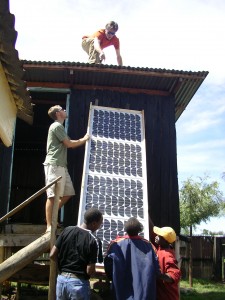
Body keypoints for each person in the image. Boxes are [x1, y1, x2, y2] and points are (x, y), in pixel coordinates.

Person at [43, 105, 89, 231]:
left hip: (61, 165)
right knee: (52, 196)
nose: (65, 110)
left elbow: (70, 143)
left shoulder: (60, 127)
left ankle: (52, 216)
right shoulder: (56, 126)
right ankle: (49, 226)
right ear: (58, 113)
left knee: (69, 192)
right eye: (62, 109)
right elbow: (69, 144)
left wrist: (81, 140)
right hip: (54, 164)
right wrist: (84, 139)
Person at [50, 207, 103, 300]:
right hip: (78, 284)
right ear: (94, 223)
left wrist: (63, 269)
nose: (100, 226)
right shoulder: (94, 240)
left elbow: (52, 254)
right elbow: (89, 270)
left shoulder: (67, 230)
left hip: (61, 281)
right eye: (100, 223)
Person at [104, 217, 163, 300]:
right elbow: (157, 270)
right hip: (143, 294)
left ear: (126, 229)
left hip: (120, 293)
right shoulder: (149, 246)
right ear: (139, 229)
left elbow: (108, 268)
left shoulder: (115, 245)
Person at [153, 226, 181, 300]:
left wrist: (157, 275)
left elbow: (174, 276)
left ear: (165, 241)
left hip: (168, 296)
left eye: (159, 236)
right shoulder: (162, 247)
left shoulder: (168, 256)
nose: (156, 236)